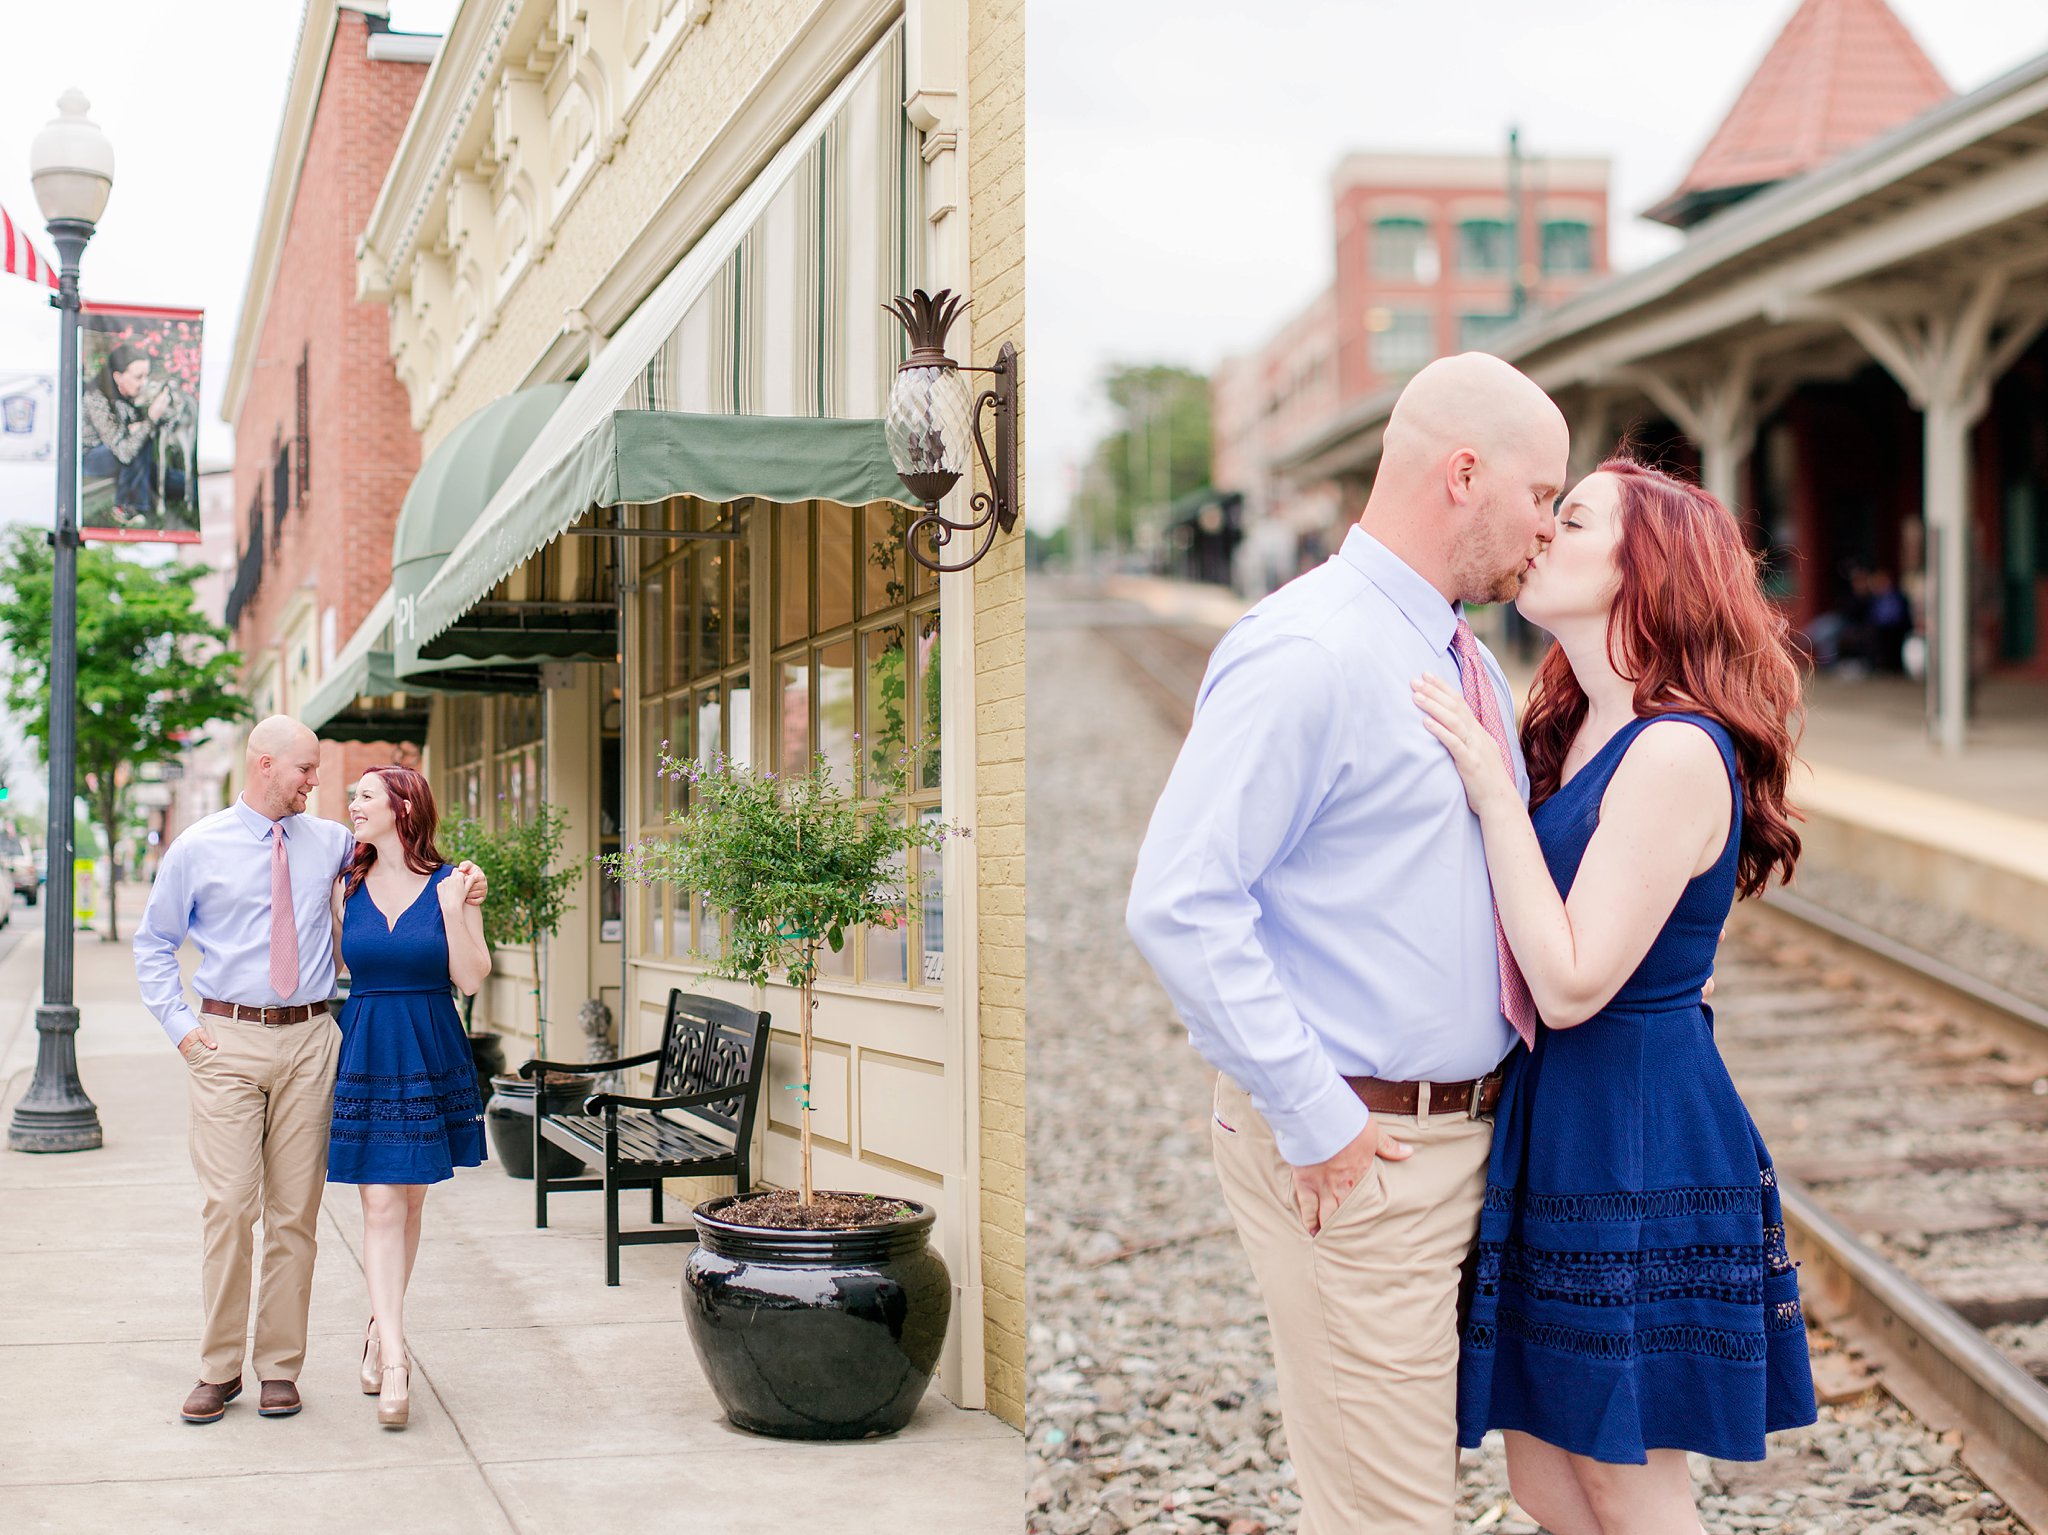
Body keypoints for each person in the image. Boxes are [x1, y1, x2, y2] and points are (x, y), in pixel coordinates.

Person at [1127, 352, 1569, 1534]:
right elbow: (1179, 899)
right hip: (1366, 1149)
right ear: (1463, 473)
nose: (1548, 525)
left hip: (1461, 1138)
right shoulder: (1310, 650)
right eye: (1541, 495)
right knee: (1390, 1515)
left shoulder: (1457, 649)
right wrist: (1318, 1121)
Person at [1415, 458, 1816, 1533]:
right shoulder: (1573, 727)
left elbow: (1573, 978)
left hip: (1634, 1130)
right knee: (1545, 1476)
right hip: (1566, 1121)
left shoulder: (1674, 747)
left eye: (1572, 515)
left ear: (1644, 566)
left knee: (1624, 1476)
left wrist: (1493, 795)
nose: (1540, 530)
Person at [133, 717, 487, 1425]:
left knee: (295, 1215)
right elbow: (154, 944)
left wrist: (467, 882)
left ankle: (279, 1369)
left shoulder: (330, 844)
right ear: (265, 764)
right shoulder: (198, 846)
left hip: (312, 1040)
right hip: (226, 1038)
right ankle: (217, 1366)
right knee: (231, 1208)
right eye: (306, 770)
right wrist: (184, 1032)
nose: (316, 783)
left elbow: (408, 861)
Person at [327, 766, 490, 1428]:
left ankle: (376, 1326)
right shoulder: (346, 885)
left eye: (364, 795)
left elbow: (472, 977)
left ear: (401, 805)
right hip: (368, 1042)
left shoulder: (454, 883)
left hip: (429, 1043)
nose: (353, 804)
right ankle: (396, 1357)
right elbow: (335, 964)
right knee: (379, 1203)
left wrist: (456, 910)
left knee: (410, 1198)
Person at [80, 343, 186, 519]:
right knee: (140, 445)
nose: (144, 383)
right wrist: (150, 420)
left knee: (179, 482)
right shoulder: (97, 398)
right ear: (118, 377)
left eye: (146, 376)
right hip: (92, 457)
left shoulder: (130, 396)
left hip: (129, 459)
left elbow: (157, 431)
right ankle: (129, 506)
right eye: (138, 377)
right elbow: (124, 452)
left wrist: (166, 409)